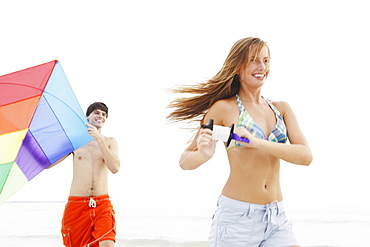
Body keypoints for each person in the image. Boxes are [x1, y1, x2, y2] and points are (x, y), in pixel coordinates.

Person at [167, 37, 312, 247]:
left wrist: (259, 143)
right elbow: (185, 161)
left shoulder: (281, 109)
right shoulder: (224, 108)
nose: (261, 67)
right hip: (238, 219)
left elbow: (306, 156)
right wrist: (204, 155)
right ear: (237, 67)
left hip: (276, 217)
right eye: (253, 60)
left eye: (266, 60)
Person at [50, 102, 120, 247]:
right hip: (77, 204)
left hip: (102, 204)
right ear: (87, 116)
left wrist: (100, 140)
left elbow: (115, 168)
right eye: (97, 112)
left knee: (107, 243)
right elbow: (49, 164)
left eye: (104, 114)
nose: (100, 116)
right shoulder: (75, 142)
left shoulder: (110, 142)